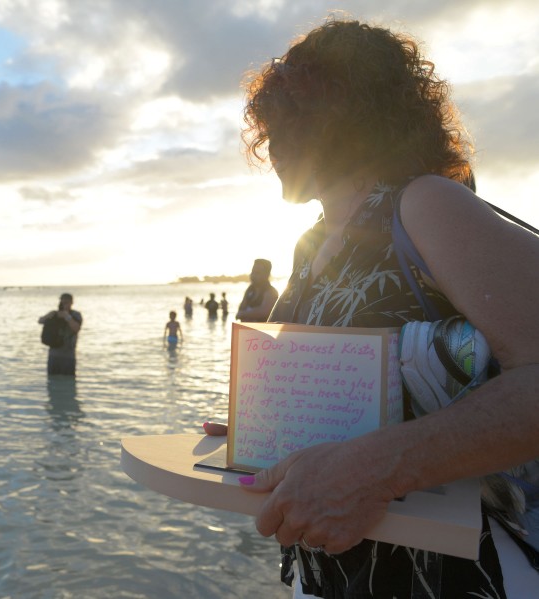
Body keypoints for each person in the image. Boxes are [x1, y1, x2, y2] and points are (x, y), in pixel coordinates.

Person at [209, 18, 539, 598]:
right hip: (338, 573)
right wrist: (266, 426)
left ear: (337, 112)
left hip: (467, 576)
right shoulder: (311, 243)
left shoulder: (427, 205)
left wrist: (376, 469)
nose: (270, 144)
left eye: (282, 119)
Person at [38, 293, 82, 375]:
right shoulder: (54, 314)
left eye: (66, 302)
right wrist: (48, 316)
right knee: (52, 383)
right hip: (53, 355)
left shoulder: (75, 314)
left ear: (71, 303)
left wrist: (67, 317)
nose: (64, 304)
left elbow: (76, 328)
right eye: (62, 302)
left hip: (68, 355)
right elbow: (40, 321)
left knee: (68, 382)